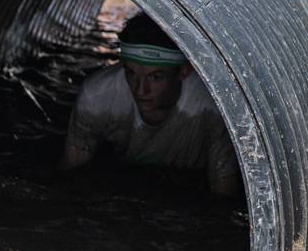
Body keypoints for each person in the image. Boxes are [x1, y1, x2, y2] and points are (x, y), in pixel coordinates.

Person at [60, 16, 240, 197]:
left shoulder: (213, 106)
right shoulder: (97, 97)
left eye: (155, 77)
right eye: (131, 73)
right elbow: (71, 179)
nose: (140, 90)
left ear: (184, 71)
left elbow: (223, 192)